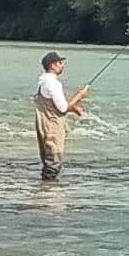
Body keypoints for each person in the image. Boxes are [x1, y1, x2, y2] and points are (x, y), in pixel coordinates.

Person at [32, 51, 89, 180]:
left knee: (49, 162)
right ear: (52, 65)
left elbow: (56, 105)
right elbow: (62, 108)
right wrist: (80, 95)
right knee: (53, 164)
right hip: (52, 127)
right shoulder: (53, 83)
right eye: (60, 63)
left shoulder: (43, 81)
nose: (62, 65)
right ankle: (49, 195)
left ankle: (44, 192)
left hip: (45, 125)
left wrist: (73, 108)